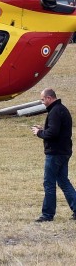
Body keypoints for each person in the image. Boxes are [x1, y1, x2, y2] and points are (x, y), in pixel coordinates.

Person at [31, 88, 76, 222]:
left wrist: (39, 133)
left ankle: (47, 214)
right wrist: (44, 130)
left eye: (43, 99)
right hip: (64, 151)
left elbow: (53, 133)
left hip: (55, 153)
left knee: (49, 183)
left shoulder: (55, 112)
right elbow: (56, 130)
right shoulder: (62, 109)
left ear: (49, 98)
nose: (42, 102)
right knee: (63, 181)